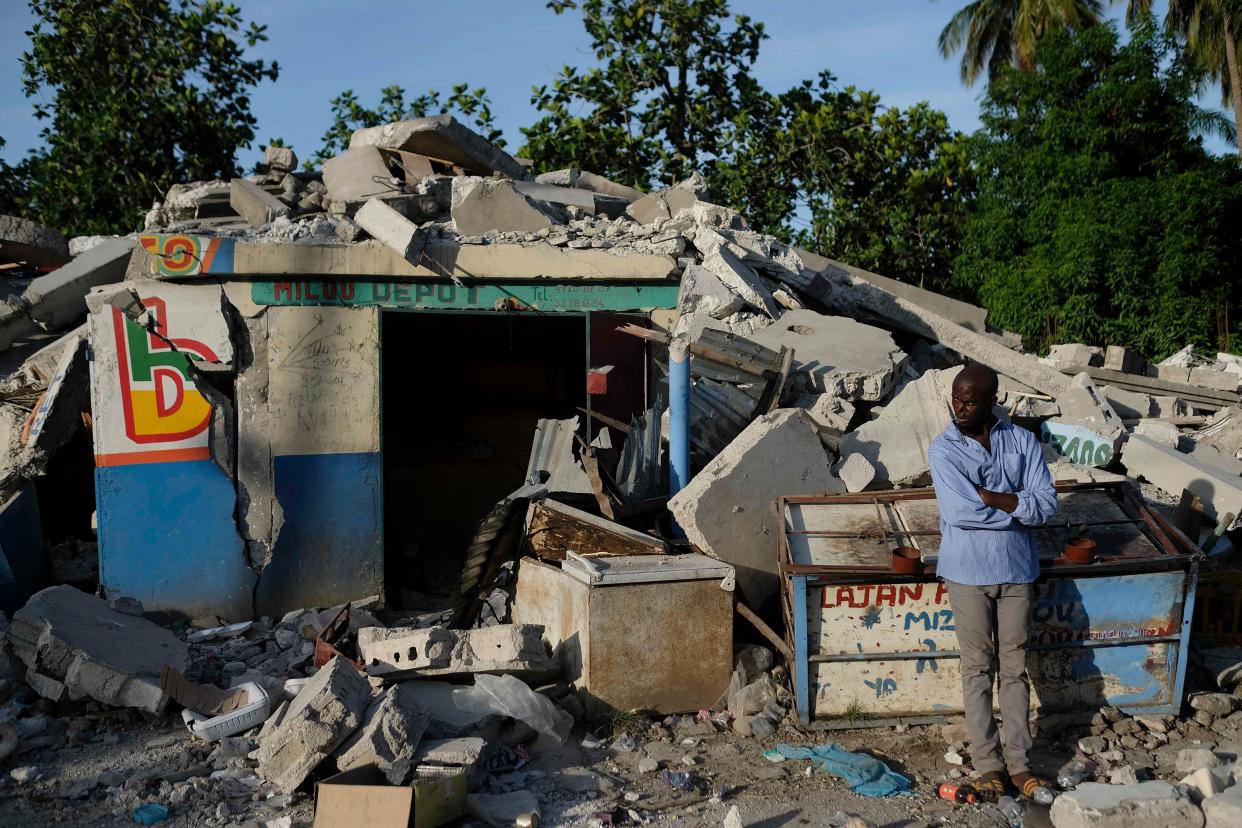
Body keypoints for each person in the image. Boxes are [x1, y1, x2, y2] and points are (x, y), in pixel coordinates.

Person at [927, 364, 1058, 800]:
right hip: (966, 573)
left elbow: (1046, 507)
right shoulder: (943, 450)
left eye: (969, 401)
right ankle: (988, 765)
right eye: (956, 399)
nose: (959, 408)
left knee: (1015, 669)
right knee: (978, 669)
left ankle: (1020, 765)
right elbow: (961, 513)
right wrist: (1018, 507)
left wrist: (990, 496)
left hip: (1017, 571)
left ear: (992, 401)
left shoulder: (1022, 441)